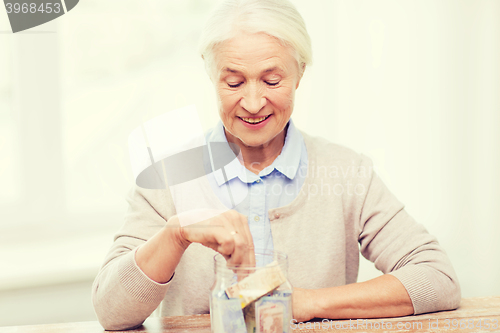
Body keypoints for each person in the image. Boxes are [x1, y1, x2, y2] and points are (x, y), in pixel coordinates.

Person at [92, 0, 461, 330]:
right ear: (211, 76)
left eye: (272, 79)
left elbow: (437, 278)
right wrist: (175, 234)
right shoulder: (168, 176)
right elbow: (111, 310)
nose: (253, 103)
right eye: (234, 82)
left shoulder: (348, 173)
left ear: (300, 73)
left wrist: (305, 302)